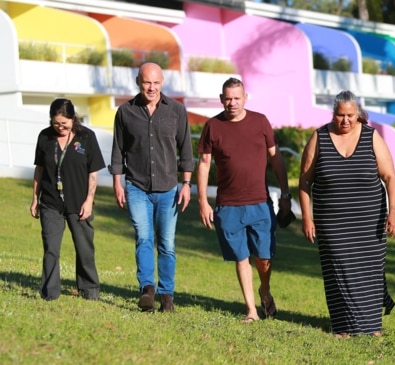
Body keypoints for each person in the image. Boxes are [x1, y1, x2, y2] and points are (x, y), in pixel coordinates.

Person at [299, 90, 395, 337]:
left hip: (369, 221)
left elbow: (389, 177)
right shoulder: (319, 137)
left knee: (370, 270)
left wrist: (393, 211)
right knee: (338, 270)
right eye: (340, 115)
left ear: (358, 114)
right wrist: (307, 217)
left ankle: (371, 327)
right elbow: (304, 181)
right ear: (333, 113)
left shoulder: (371, 136)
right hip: (332, 222)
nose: (345, 121)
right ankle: (342, 326)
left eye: (350, 115)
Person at [197, 77, 292, 322]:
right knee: (241, 257)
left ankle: (265, 289)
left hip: (260, 202)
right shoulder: (212, 126)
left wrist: (285, 193)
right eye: (227, 98)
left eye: (237, 98)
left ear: (245, 98)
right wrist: (203, 201)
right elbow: (205, 164)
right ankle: (251, 310)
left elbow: (276, 158)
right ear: (221, 99)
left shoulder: (260, 122)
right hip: (228, 206)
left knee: (264, 258)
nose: (232, 103)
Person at [110, 62, 194, 312]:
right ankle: (147, 290)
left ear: (162, 83)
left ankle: (167, 295)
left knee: (167, 243)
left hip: (169, 189)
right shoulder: (125, 112)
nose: (152, 87)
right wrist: (117, 182)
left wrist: (187, 183)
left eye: (156, 83)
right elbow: (118, 150)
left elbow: (186, 150)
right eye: (147, 82)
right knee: (144, 238)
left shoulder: (177, 111)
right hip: (136, 187)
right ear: (138, 81)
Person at [30, 98, 105, 301]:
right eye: (56, 123)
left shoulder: (87, 137)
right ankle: (49, 291)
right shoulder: (44, 137)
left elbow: (93, 172)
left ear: (73, 119)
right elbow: (39, 169)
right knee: (51, 248)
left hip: (79, 203)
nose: (60, 127)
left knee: (84, 248)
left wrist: (89, 200)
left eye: (64, 123)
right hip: (51, 202)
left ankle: (89, 289)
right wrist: (35, 198)